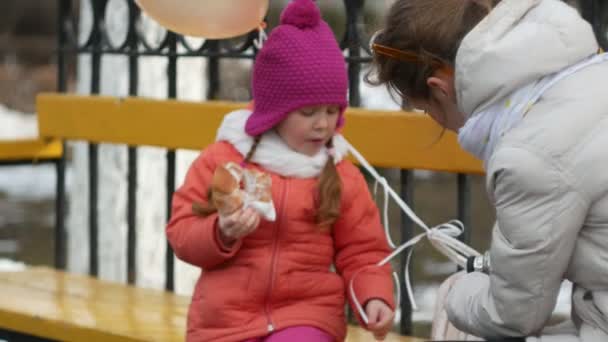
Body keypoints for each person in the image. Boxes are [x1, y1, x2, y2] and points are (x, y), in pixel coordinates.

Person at [368, 0, 608, 341]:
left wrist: (454, 294)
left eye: (426, 111)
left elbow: (511, 315)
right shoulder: (585, 74)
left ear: (440, 89)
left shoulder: (529, 156)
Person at [167, 0, 395, 341]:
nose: (323, 124)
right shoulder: (226, 159)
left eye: (333, 111)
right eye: (308, 113)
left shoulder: (338, 173)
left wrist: (373, 295)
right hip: (225, 321)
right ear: (274, 111)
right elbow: (182, 232)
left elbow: (363, 250)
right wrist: (222, 232)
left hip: (306, 316)